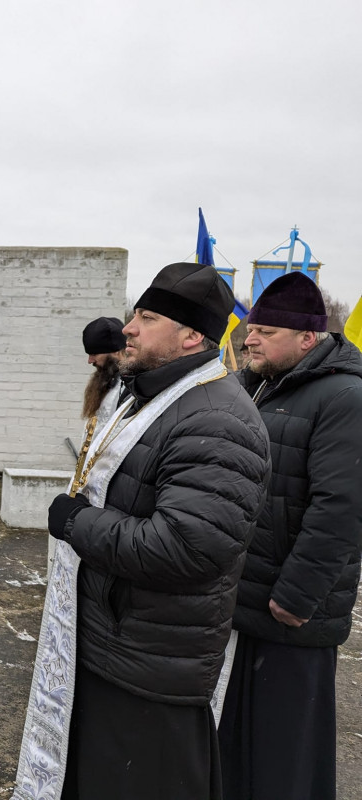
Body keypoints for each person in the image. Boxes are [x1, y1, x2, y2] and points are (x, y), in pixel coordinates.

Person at [15, 262, 270, 800]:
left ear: (191, 335)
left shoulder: (217, 419)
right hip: (118, 644)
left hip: (153, 668)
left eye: (147, 317)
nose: (128, 327)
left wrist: (75, 521)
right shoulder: (150, 396)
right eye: (135, 314)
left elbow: (185, 548)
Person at [218, 272, 362, 800]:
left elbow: (341, 509)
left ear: (309, 338)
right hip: (246, 600)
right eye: (250, 328)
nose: (248, 339)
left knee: (286, 759)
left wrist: (296, 596)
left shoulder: (346, 396)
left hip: (292, 612)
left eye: (265, 331)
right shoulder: (259, 384)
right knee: (238, 749)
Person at [80, 316, 126, 428]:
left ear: (116, 351)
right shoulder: (106, 381)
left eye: (94, 354)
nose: (90, 361)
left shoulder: (131, 388)